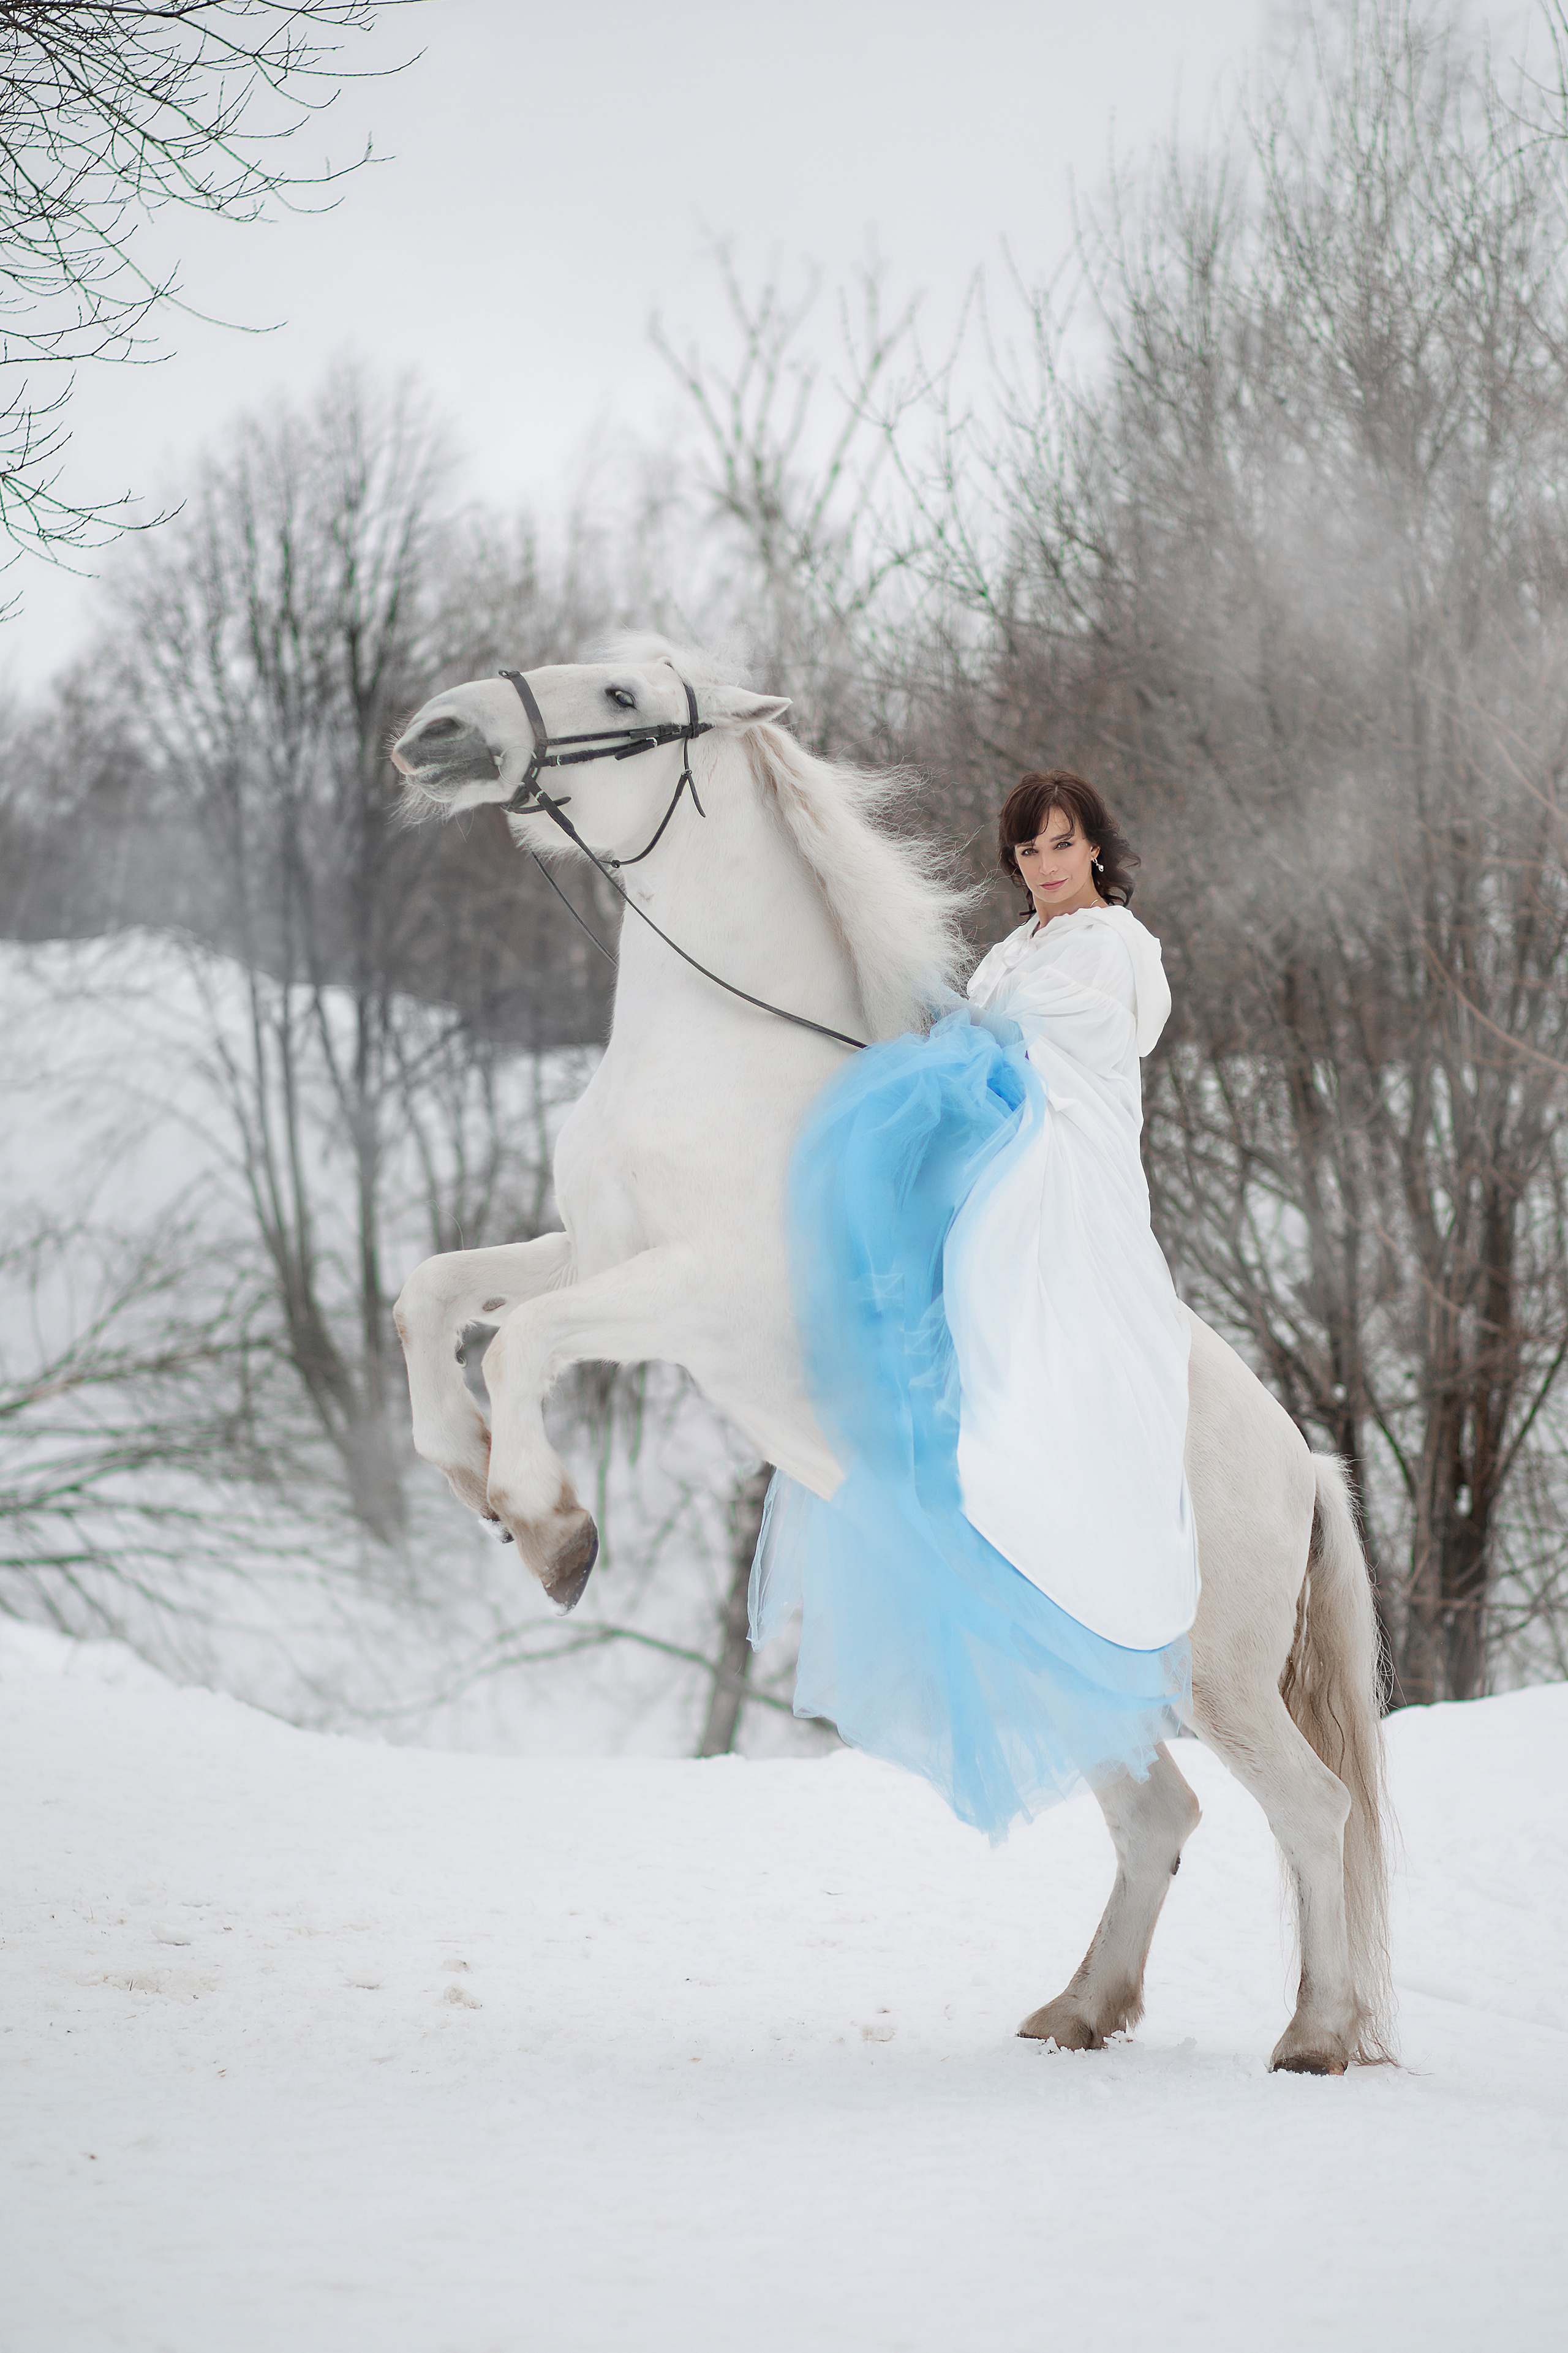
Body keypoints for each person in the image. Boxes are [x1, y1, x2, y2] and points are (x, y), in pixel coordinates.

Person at [750, 769, 1199, 1840]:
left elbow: (1056, 1045)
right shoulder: (1017, 949)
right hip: (1008, 1104)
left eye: (1061, 844)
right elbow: (980, 1013)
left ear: (1096, 846)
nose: (1044, 866)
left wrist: (947, 1046)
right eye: (1027, 851)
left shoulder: (1110, 944)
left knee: (943, 1171)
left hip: (1062, 1139)